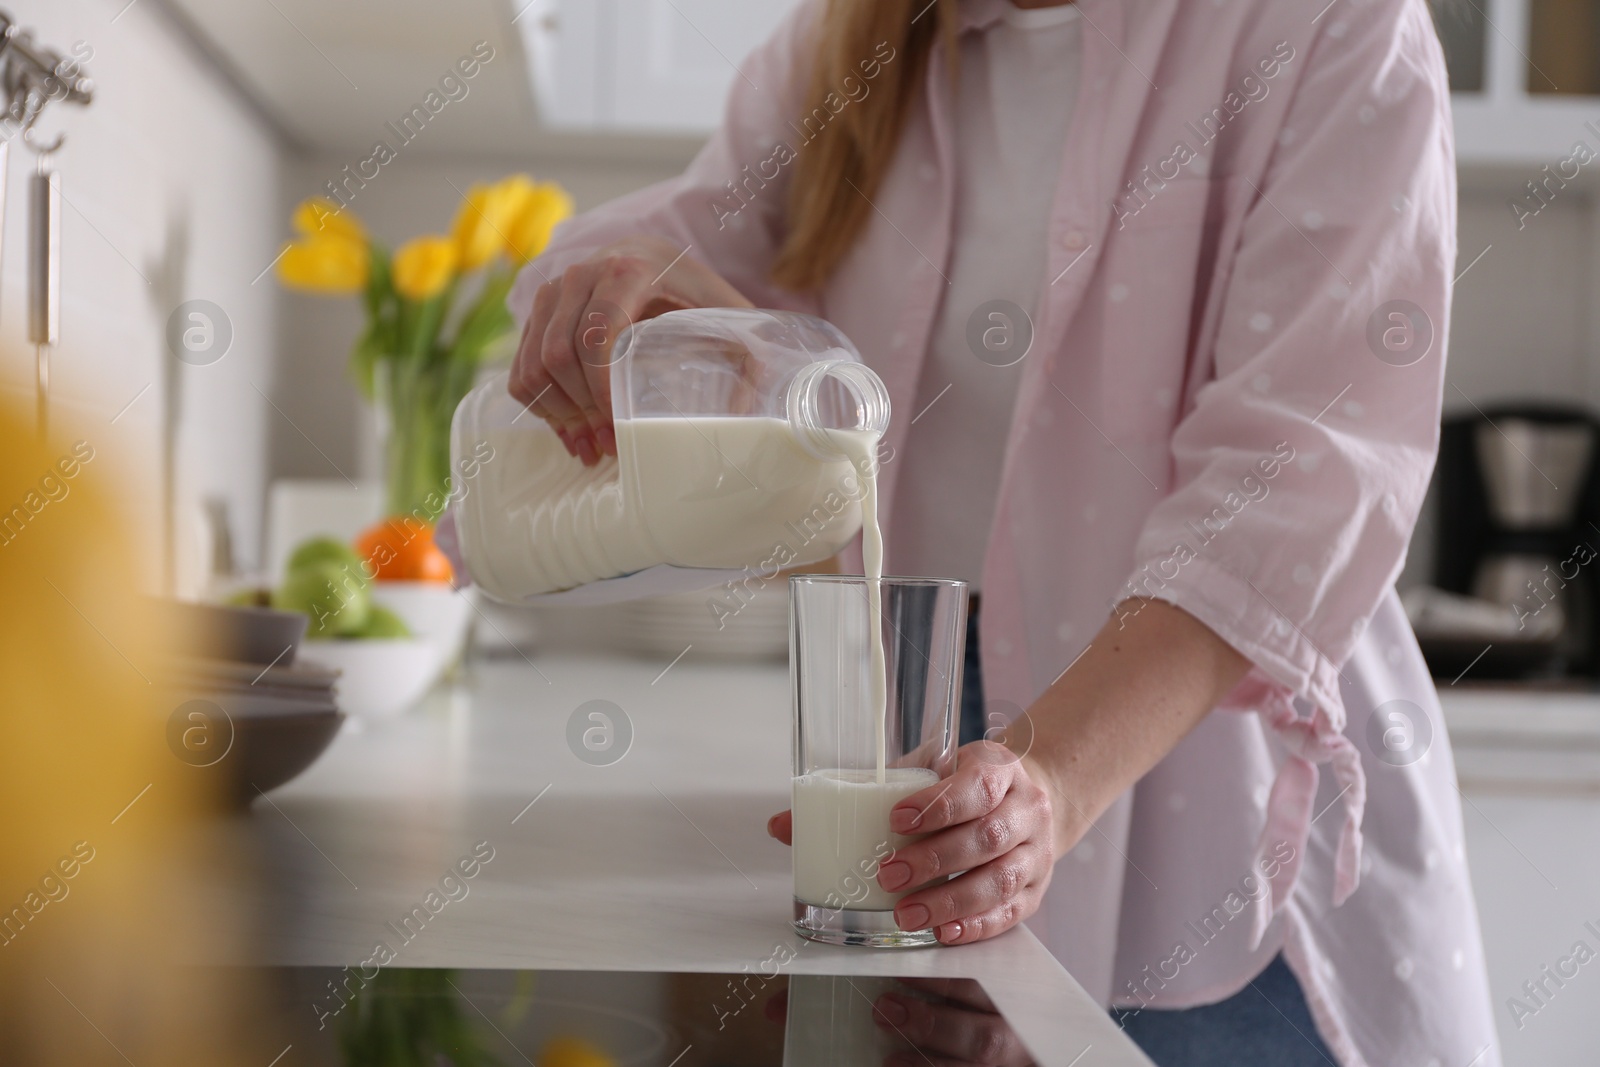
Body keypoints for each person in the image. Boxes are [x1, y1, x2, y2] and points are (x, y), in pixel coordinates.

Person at [506, 0, 1499, 1063]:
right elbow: (685, 250)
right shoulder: (843, 48)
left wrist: (1054, 779)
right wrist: (619, 300)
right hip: (937, 744)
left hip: (1208, 775)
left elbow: (1300, 472)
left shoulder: (1327, 24)